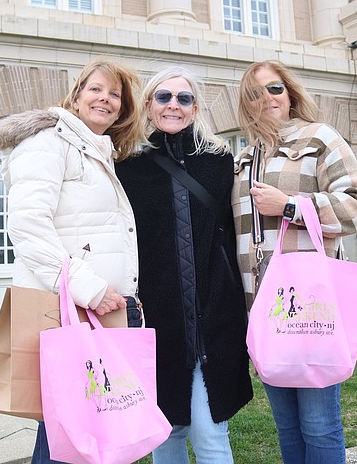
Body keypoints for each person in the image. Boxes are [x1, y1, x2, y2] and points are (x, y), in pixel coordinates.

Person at [0, 59, 146, 464]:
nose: (106, 99)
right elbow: (27, 227)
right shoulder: (48, 141)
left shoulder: (98, 150)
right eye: (96, 89)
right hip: (69, 310)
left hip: (97, 312)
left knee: (80, 430)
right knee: (71, 436)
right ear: (76, 97)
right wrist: (90, 289)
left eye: (115, 95)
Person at [232, 60, 357, 464]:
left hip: (311, 308)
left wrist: (291, 205)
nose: (267, 99)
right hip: (262, 308)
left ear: (290, 92)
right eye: (255, 93)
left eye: (275, 88)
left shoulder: (320, 139)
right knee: (287, 427)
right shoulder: (244, 158)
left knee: (318, 424)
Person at [116, 66, 253, 464]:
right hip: (157, 318)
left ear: (195, 108)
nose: (173, 105)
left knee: (210, 433)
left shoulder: (218, 162)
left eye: (184, 98)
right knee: (166, 432)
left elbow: (233, 231)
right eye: (164, 97)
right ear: (147, 104)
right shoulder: (127, 165)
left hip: (214, 314)